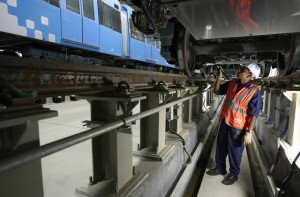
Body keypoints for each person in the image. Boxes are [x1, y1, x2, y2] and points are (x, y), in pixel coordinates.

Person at [206, 63, 262, 185]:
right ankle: (220, 167)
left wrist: (249, 132)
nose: (239, 71)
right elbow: (217, 90)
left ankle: (234, 174)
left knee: (235, 150)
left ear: (250, 75)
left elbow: (254, 113)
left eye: (243, 70)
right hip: (226, 120)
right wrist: (219, 78)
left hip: (238, 125)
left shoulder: (254, 91)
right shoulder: (232, 82)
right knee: (221, 146)